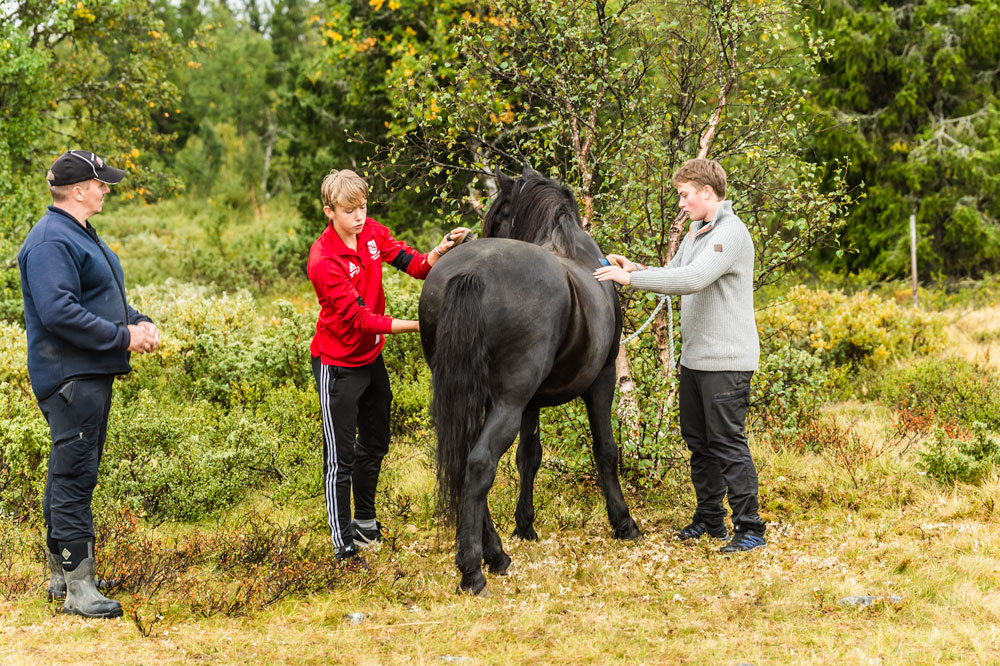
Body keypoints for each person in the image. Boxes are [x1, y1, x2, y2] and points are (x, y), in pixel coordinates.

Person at [594, 158, 765, 552]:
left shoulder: (731, 233)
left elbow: (692, 279)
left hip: (727, 362)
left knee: (727, 443)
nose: (682, 203)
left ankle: (751, 529)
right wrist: (635, 266)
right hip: (696, 361)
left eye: (685, 195)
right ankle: (710, 520)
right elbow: (674, 270)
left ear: (707, 192)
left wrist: (631, 279)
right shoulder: (695, 234)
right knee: (699, 443)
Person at [19, 150, 160, 618]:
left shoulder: (76, 235)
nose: (106, 189)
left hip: (89, 372)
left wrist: (138, 322)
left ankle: (63, 578)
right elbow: (59, 313)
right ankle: (80, 589)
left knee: (67, 470)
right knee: (75, 476)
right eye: (101, 183)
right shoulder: (49, 242)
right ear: (78, 190)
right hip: (69, 375)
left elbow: (98, 299)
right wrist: (123, 337)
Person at [307, 168, 469, 561]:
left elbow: (415, 264)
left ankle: (364, 522)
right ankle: (342, 543)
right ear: (330, 211)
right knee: (339, 458)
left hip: (371, 359)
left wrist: (443, 249)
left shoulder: (373, 233)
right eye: (350, 210)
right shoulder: (323, 259)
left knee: (376, 441)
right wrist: (422, 324)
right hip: (337, 366)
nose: (359, 216)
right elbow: (359, 320)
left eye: (363, 207)